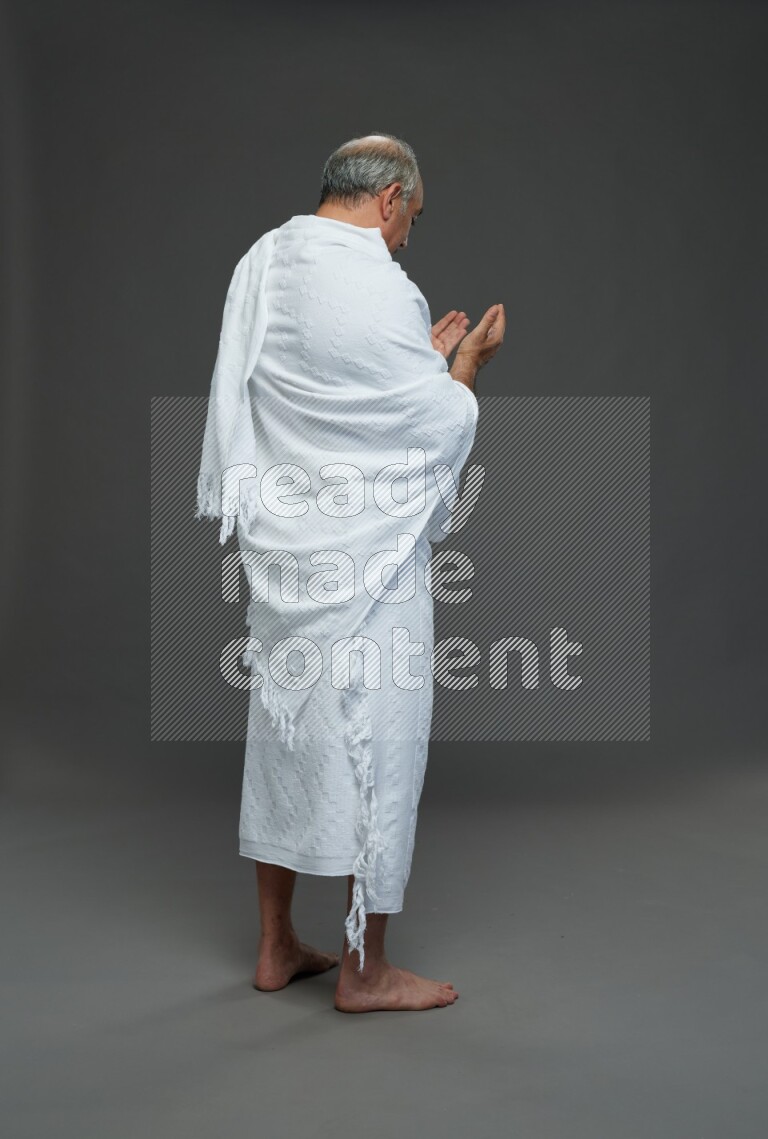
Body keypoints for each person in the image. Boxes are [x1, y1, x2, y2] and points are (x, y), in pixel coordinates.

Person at [196, 133, 506, 1012]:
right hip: (373, 558)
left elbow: (265, 395)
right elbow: (426, 424)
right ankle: (365, 969)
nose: (408, 238)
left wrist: (420, 361)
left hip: (286, 554)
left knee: (287, 736)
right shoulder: (382, 284)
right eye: (411, 219)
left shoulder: (263, 261)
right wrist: (462, 369)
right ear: (390, 200)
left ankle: (273, 947)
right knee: (381, 738)